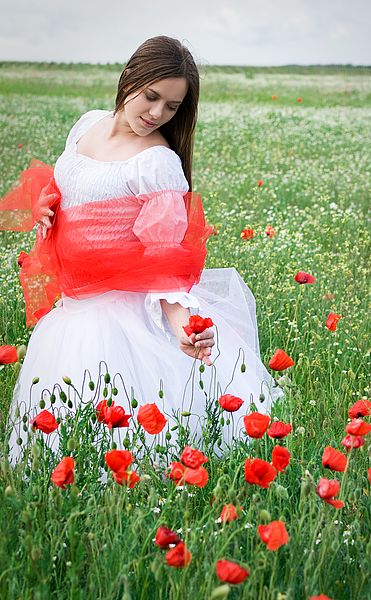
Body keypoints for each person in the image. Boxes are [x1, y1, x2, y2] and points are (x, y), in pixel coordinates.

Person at [0, 36, 283, 465]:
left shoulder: (156, 163)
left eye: (171, 107)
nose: (156, 114)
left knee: (123, 437)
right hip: (72, 309)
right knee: (58, 431)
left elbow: (166, 261)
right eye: (152, 97)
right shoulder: (88, 124)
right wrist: (46, 205)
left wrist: (185, 325)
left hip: (119, 317)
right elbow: (69, 182)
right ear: (129, 75)